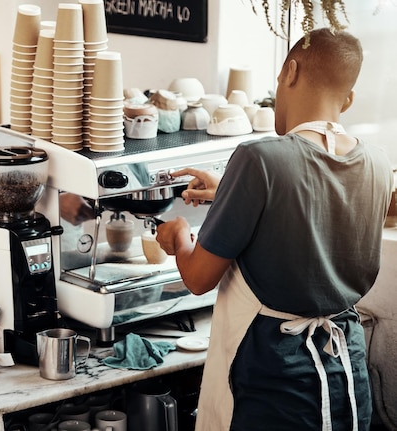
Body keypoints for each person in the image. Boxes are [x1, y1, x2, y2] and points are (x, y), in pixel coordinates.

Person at [155, 28, 394, 431]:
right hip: (347, 374)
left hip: (273, 380)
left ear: (290, 72)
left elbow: (198, 279)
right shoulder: (377, 164)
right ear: (348, 99)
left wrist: (178, 235)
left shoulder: (257, 158)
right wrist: (228, 192)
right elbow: (317, 201)